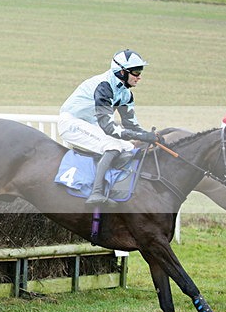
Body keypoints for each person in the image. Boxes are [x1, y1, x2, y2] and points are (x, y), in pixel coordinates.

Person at [58, 49, 161, 206]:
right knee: (112, 145)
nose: (139, 76)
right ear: (121, 71)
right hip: (72, 122)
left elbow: (131, 124)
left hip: (91, 124)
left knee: (128, 147)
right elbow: (109, 128)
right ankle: (96, 193)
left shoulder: (126, 93)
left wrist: (150, 136)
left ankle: (111, 180)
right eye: (136, 71)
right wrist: (141, 136)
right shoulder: (104, 86)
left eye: (141, 71)